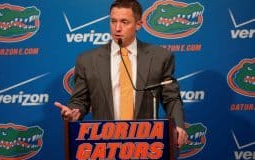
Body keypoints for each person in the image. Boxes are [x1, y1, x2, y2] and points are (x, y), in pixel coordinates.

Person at [55, 0, 187, 148]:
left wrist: (178, 125)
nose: (117, 28)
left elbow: (171, 98)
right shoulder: (87, 60)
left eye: (124, 22)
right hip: (103, 145)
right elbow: (80, 101)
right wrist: (74, 113)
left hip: (146, 144)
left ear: (138, 24)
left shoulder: (160, 57)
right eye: (113, 21)